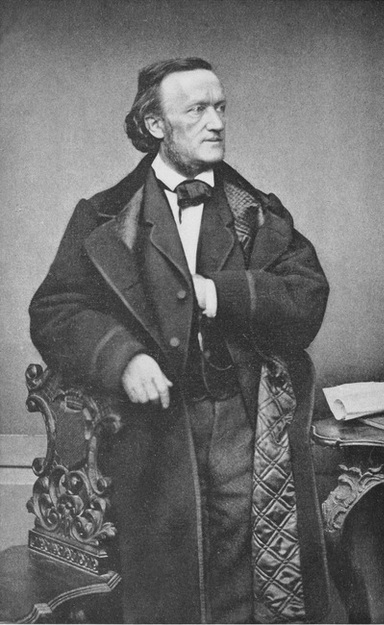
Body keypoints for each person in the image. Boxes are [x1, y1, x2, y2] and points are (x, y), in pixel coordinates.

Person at [29, 57, 330, 624]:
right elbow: (55, 310)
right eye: (196, 110)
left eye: (221, 108)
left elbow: (306, 297)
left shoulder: (257, 213)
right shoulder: (103, 216)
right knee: (163, 579)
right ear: (156, 125)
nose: (216, 122)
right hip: (146, 430)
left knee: (245, 569)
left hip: (242, 419)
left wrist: (217, 293)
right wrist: (124, 358)